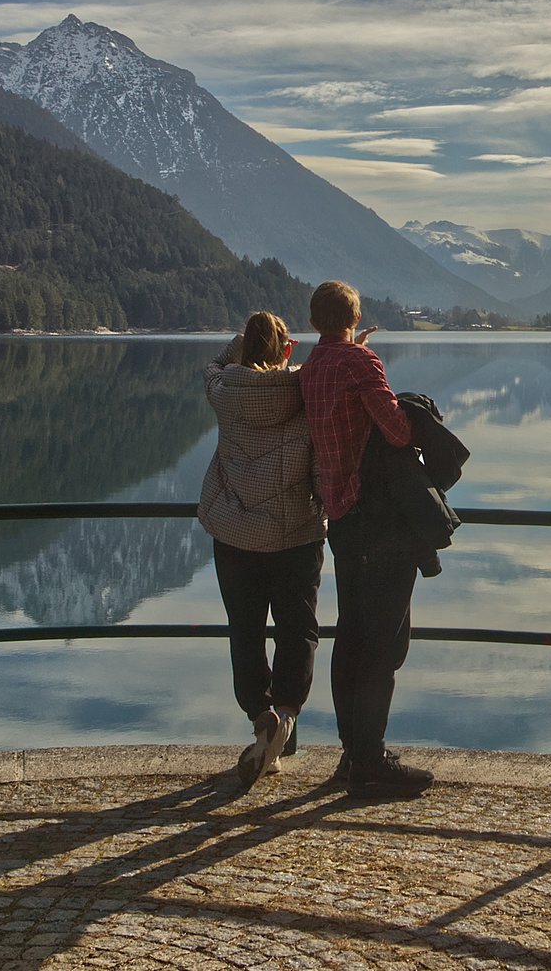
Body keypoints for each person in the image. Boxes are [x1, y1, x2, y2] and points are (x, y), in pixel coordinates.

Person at [300, 280, 434, 798]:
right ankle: (371, 760)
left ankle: (352, 753)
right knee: (386, 640)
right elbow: (398, 431)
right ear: (355, 318)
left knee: (351, 634)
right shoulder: (360, 365)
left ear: (313, 323)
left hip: (341, 517)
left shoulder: (314, 367)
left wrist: (354, 351)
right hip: (378, 520)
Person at [197, 311, 325, 789]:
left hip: (235, 536)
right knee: (298, 629)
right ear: (287, 349)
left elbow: (214, 362)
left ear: (246, 349)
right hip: (295, 535)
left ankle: (260, 716)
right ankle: (287, 716)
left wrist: (244, 346)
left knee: (245, 629)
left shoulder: (224, 392)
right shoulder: (305, 390)